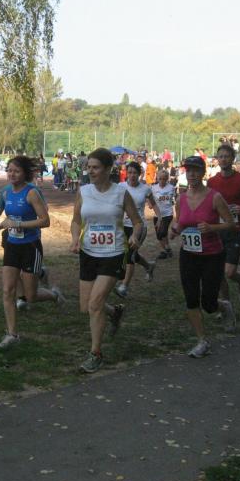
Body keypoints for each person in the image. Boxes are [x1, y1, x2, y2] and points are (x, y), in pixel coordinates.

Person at [70, 148, 143, 373]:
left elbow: (137, 222)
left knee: (94, 304)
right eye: (89, 167)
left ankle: (96, 353)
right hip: (88, 252)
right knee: (86, 307)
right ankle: (115, 312)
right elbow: (76, 220)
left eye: (95, 168)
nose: (90, 171)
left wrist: (134, 236)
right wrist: (75, 239)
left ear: (108, 169)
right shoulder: (84, 191)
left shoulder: (120, 193)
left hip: (113, 253)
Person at [0, 156, 64, 349]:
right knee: (8, 290)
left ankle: (54, 295)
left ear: (25, 174)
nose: (12, 174)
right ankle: (12, 334)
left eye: (16, 171)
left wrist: (18, 224)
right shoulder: (6, 192)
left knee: (30, 296)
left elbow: (45, 221)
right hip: (12, 245)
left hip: (30, 247)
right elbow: (1, 213)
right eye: (9, 170)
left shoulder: (32, 193)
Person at [170, 156, 236, 357]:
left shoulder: (214, 197)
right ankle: (202, 340)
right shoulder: (181, 199)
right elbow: (180, 222)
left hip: (212, 255)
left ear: (203, 172)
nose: (191, 174)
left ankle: (223, 306)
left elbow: (231, 224)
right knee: (191, 298)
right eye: (188, 170)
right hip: (188, 254)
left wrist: (212, 227)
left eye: (196, 170)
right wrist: (174, 230)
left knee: (208, 303)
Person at [207, 143, 240, 331]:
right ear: (217, 159)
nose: (223, 159)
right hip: (217, 230)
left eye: (226, 156)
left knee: (229, 273)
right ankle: (227, 307)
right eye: (220, 156)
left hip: (236, 230)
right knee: (219, 273)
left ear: (233, 158)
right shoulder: (212, 182)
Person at [114, 162, 161, 298]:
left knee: (130, 256)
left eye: (135, 173)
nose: (132, 175)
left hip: (139, 226)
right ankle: (148, 266)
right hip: (122, 225)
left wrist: (160, 218)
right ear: (126, 174)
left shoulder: (145, 189)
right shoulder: (120, 186)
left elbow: (153, 204)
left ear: (139, 174)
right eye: (130, 172)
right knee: (125, 253)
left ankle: (124, 287)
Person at [151, 170, 176, 259]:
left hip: (167, 214)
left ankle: (167, 250)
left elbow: (174, 199)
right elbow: (150, 199)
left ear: (167, 179)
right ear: (157, 178)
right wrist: (150, 204)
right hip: (157, 215)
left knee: (162, 232)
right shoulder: (153, 188)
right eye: (160, 178)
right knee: (159, 236)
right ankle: (166, 250)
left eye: (164, 179)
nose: (162, 181)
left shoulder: (171, 187)